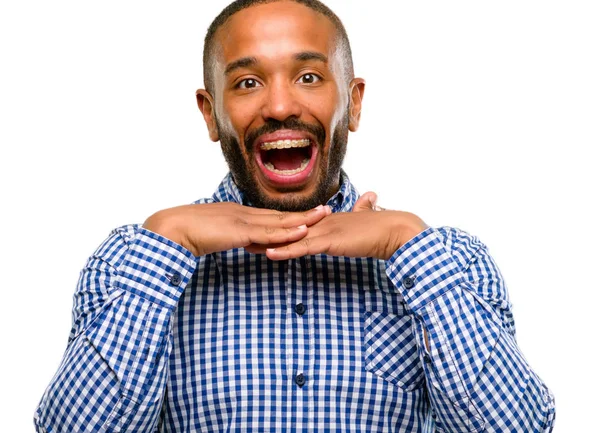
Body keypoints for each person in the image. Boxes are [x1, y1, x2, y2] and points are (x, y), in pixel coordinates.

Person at [34, 0, 555, 431]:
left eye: (308, 76)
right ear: (211, 113)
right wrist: (170, 239)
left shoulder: (448, 262)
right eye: (246, 83)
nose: (280, 105)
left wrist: (406, 242)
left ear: (352, 104)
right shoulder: (133, 262)